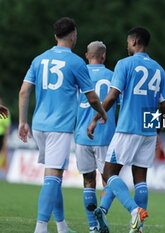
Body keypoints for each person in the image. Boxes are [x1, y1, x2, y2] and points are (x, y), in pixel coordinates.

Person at [18, 17, 107, 233]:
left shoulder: (39, 59)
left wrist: (22, 121)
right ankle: (40, 227)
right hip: (59, 127)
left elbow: (23, 91)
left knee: (54, 176)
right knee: (52, 176)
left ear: (55, 35)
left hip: (39, 125)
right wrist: (103, 114)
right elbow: (93, 98)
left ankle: (61, 226)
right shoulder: (76, 62)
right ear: (73, 35)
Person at [88, 26, 165, 233]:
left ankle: (135, 211)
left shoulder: (125, 64)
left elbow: (113, 95)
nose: (127, 46)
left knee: (109, 173)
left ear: (134, 42)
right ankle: (135, 226)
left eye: (127, 42)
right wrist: (157, 128)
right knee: (140, 177)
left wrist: (96, 118)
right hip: (148, 130)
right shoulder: (159, 69)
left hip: (127, 128)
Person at [74, 41, 117, 233]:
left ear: (86, 55)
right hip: (106, 136)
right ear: (104, 56)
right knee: (109, 180)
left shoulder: (78, 75)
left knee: (88, 181)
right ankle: (102, 211)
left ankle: (93, 227)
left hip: (82, 135)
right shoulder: (113, 76)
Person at [0, 98, 10, 170]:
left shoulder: (4, 111)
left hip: (1, 134)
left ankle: (4, 165)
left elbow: (7, 126)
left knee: (3, 149)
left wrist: (6, 137)